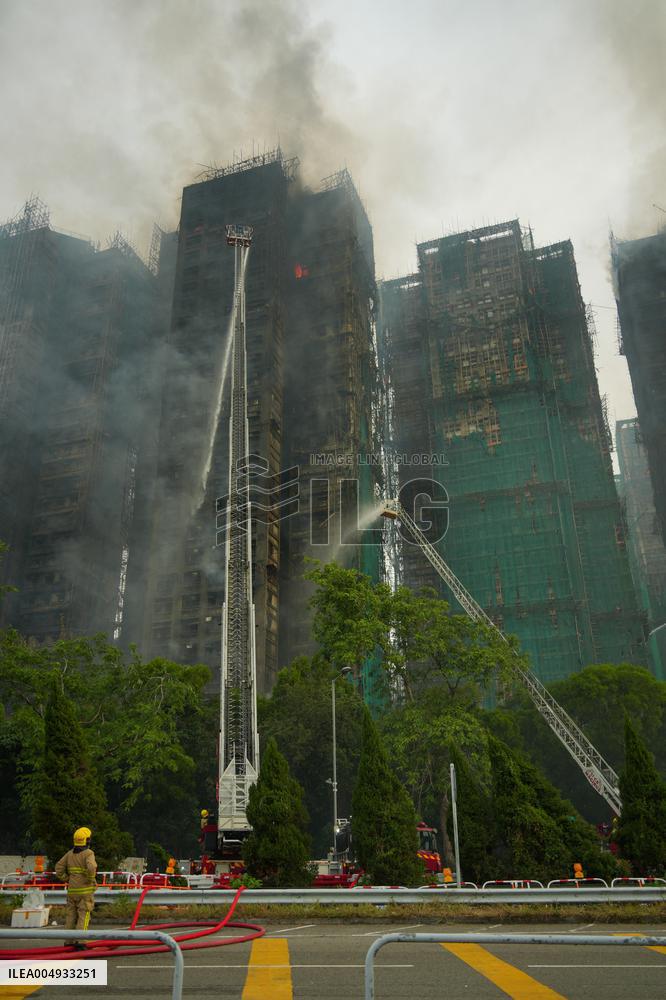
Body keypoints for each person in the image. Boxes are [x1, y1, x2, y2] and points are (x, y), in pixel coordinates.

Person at [55, 826, 97, 948]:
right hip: (85, 893)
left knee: (71, 917)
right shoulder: (89, 853)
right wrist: (90, 879)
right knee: (83, 916)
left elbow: (58, 868)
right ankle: (81, 942)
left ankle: (68, 942)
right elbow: (92, 867)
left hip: (72, 891)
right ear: (87, 841)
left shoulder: (69, 854)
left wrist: (67, 879)